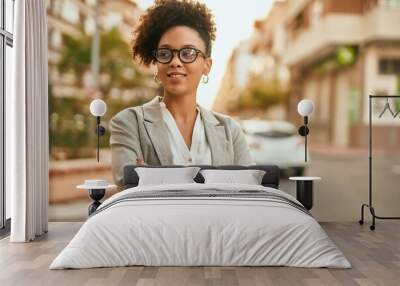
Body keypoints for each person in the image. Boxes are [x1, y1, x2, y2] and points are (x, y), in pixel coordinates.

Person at [109, 0, 252, 188]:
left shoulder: (230, 131)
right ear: (157, 62)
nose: (175, 62)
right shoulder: (129, 123)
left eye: (188, 53)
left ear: (206, 66)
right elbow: (128, 186)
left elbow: (249, 188)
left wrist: (152, 177)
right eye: (165, 53)